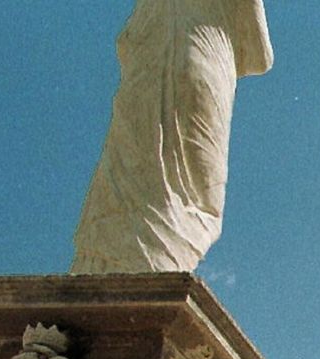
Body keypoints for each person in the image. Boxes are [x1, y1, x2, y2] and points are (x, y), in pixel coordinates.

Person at [72, 0, 273, 273]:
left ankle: (117, 270)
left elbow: (126, 41)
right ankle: (143, 270)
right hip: (200, 65)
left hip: (163, 68)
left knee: (139, 178)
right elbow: (258, 54)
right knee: (187, 197)